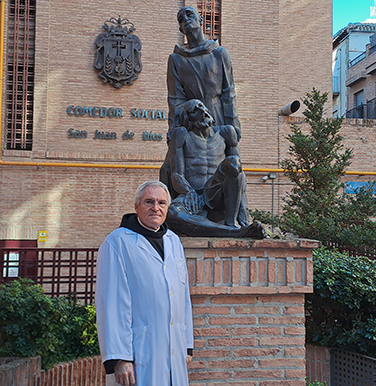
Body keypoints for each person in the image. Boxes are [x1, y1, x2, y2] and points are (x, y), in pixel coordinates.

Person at [96, 180, 193, 386]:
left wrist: (186, 345)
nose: (155, 208)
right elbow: (111, 303)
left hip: (174, 349)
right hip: (138, 352)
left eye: (162, 203)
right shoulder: (117, 242)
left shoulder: (174, 241)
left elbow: (183, 298)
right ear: (136, 206)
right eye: (149, 201)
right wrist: (120, 357)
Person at [161, 99, 264, 239]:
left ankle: (231, 224)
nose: (202, 112)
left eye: (202, 107)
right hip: (191, 193)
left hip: (216, 192)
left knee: (233, 162)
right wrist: (189, 191)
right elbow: (177, 174)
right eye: (195, 110)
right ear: (187, 117)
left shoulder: (226, 133)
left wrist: (244, 217)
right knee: (172, 213)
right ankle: (233, 232)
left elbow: (239, 175)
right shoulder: (181, 134)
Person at [167, 6, 241, 140]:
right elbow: (176, 99)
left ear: (200, 19)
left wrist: (233, 125)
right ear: (181, 30)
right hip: (192, 122)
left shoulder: (220, 54)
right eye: (181, 19)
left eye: (189, 14)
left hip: (218, 118)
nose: (185, 19)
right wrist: (174, 128)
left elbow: (228, 93)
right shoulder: (176, 59)